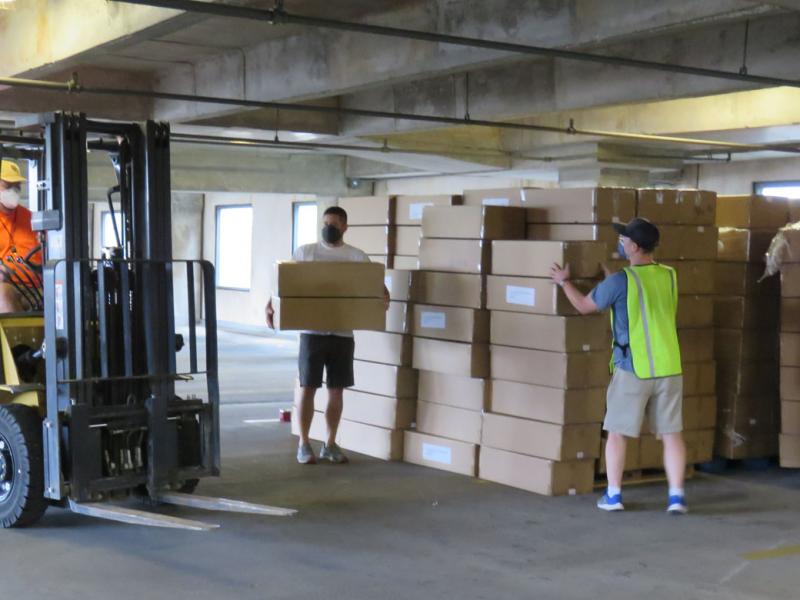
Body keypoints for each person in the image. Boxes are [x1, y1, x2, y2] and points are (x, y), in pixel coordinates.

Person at [550, 217, 687, 515]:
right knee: (672, 433)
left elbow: (585, 307)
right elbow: (645, 300)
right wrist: (614, 280)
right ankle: (676, 497)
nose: (621, 243)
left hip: (633, 368)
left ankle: (613, 496)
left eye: (624, 239)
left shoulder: (621, 281)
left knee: (617, 432)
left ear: (634, 246)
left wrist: (564, 282)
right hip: (669, 367)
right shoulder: (669, 275)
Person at [266, 206, 389, 465]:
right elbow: (284, 285)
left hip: (342, 333)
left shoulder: (356, 257)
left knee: (336, 391)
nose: (328, 228)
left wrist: (382, 297)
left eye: (333, 224)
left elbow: (374, 288)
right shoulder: (306, 253)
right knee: (308, 388)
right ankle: (304, 443)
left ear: (344, 227)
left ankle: (330, 444)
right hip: (312, 333)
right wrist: (271, 305)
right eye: (325, 223)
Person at [0, 160, 42, 312]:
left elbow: (40, 253)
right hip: (6, 288)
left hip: (34, 289)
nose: (14, 191)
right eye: (8, 186)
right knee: (2, 293)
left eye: (17, 187)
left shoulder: (30, 218)